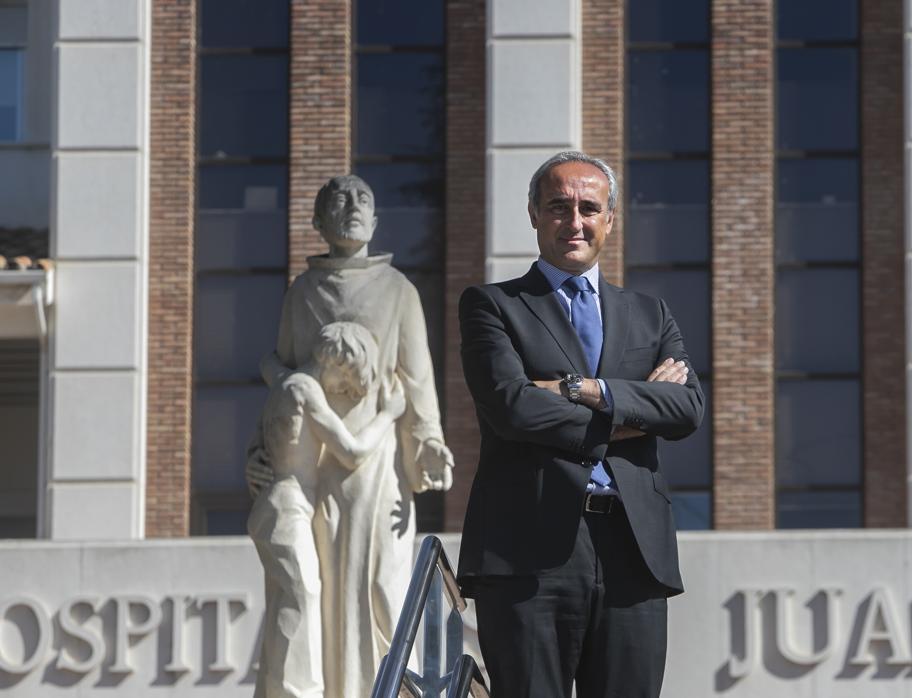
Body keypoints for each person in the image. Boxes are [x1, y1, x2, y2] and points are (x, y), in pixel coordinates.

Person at [457, 151, 705, 697]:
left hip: (633, 552)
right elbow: (513, 407)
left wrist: (584, 389)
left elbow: (687, 409)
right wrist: (637, 409)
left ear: (609, 219)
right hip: (528, 553)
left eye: (589, 208)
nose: (575, 221)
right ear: (533, 214)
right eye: (558, 207)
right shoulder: (492, 306)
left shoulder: (650, 313)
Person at [245, 174, 454, 698]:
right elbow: (286, 382)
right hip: (315, 468)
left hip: (378, 462)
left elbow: (418, 376)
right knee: (316, 591)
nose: (353, 204)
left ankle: (383, 688)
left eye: (363, 197)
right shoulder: (302, 293)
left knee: (382, 585)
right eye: (339, 197)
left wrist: (427, 440)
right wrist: (260, 452)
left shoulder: (398, 290)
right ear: (318, 221)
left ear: (376, 220)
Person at [249, 321, 405, 698]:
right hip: (288, 507)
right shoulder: (303, 388)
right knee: (301, 595)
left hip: (282, 507)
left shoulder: (285, 385)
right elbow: (350, 453)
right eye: (347, 376)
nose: (343, 389)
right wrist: (389, 414)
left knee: (296, 595)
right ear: (335, 359)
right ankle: (297, 691)